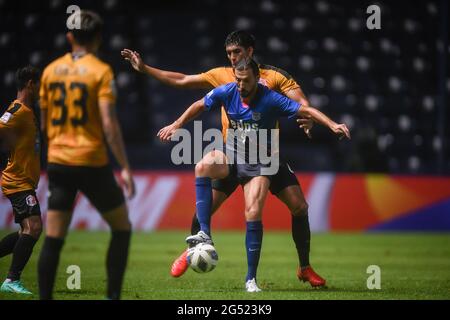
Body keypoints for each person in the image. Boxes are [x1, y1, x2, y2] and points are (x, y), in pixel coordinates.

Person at [122, 30, 326, 287]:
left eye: (237, 52)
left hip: (266, 157)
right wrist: (145, 69)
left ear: (250, 52)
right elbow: (183, 79)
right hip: (233, 155)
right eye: (229, 53)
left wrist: (306, 119)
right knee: (204, 208)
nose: (232, 58)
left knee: (300, 207)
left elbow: (301, 102)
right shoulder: (222, 76)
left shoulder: (274, 76)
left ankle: (304, 268)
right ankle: (194, 247)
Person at [157, 58, 350, 292]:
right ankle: (200, 240)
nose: (240, 86)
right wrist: (177, 124)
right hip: (233, 153)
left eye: (245, 81)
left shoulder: (270, 98)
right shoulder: (228, 90)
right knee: (202, 169)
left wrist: (332, 125)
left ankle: (266, 276)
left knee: (285, 208)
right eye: (237, 80)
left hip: (263, 160)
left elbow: (305, 109)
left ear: (257, 79)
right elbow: (199, 104)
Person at [38, 10, 135, 300]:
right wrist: (125, 168)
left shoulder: (49, 71)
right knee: (122, 227)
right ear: (98, 38)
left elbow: (43, 124)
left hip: (58, 161)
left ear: (69, 37)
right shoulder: (101, 71)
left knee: (54, 237)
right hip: (91, 161)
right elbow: (109, 124)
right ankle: (112, 296)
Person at [0, 66, 42, 295]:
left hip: (23, 180)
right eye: (39, 84)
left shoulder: (27, 111)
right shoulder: (18, 110)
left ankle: (11, 280)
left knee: (24, 232)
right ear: (30, 84)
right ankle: (11, 280)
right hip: (17, 181)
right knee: (34, 227)